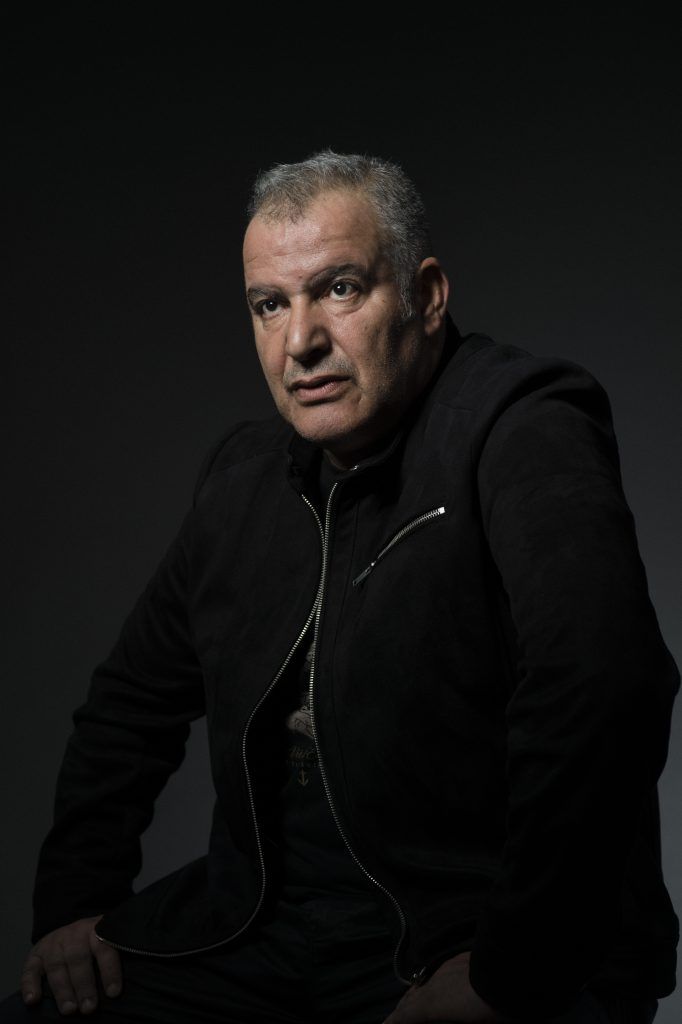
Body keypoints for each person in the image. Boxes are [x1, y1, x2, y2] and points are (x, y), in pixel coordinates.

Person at [3, 150, 678, 1024]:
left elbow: (603, 690)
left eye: (340, 289)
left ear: (426, 296)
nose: (300, 341)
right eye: (269, 304)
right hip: (258, 926)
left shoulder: (521, 427)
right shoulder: (245, 480)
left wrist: (509, 973)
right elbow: (130, 706)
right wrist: (73, 902)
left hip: (469, 931)